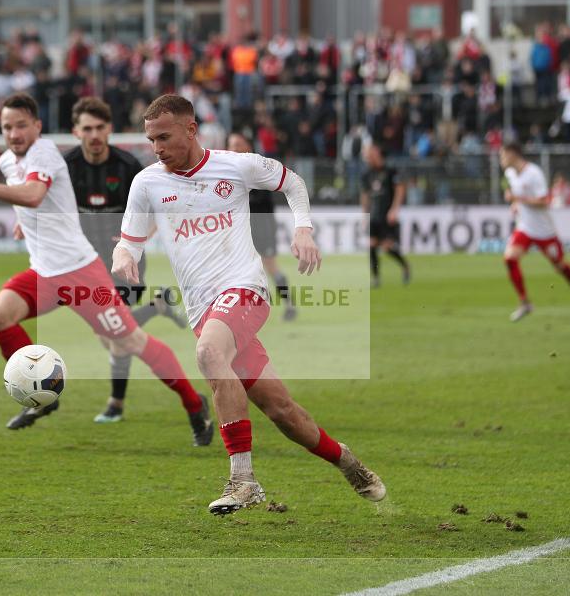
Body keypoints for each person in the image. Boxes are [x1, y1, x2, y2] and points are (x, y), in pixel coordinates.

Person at [112, 94, 386, 515]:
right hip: (204, 310)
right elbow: (129, 239)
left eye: (164, 137)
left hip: (245, 290)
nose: (157, 148)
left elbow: (292, 181)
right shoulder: (147, 182)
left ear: (191, 129)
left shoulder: (235, 165)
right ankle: (348, 462)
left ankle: (243, 481)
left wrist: (304, 230)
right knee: (283, 413)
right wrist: (125, 256)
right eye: (151, 140)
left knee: (206, 353)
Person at [0, 92, 213, 446]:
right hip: (43, 272)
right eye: (7, 127)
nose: (14, 134)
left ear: (38, 127)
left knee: (130, 342)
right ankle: (41, 394)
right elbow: (31, 204)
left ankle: (195, 405)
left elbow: (33, 195)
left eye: (22, 126)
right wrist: (23, 223)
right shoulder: (7, 162)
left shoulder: (43, 153)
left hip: (79, 273)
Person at [64, 96, 186, 424]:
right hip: (86, 265)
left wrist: (133, 243)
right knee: (109, 333)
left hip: (124, 261)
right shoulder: (68, 168)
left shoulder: (128, 166)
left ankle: (115, 403)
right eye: (87, 128)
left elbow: (152, 208)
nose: (93, 134)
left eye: (99, 128)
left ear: (109, 129)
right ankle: (157, 306)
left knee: (115, 334)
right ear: (76, 131)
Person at [500, 142, 570, 322]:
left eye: (503, 155)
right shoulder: (510, 174)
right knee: (510, 258)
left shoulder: (534, 173)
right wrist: (515, 205)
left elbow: (544, 201)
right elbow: (519, 197)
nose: (501, 160)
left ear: (512, 154)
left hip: (544, 231)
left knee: (560, 266)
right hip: (525, 228)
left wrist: (517, 199)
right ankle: (525, 302)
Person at [226, 132, 297, 321]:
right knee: (239, 270)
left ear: (248, 146)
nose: (235, 148)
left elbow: (265, 197)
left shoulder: (258, 167)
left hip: (262, 225)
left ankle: (289, 305)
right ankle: (243, 310)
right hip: (240, 229)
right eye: (232, 145)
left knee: (270, 265)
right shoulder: (227, 172)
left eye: (239, 144)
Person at [360, 143, 410, 288]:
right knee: (372, 245)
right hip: (374, 215)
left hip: (386, 214)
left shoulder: (390, 171)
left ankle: (405, 265)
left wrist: (395, 209)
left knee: (387, 247)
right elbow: (365, 195)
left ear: (376, 154)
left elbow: (400, 189)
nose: (367, 158)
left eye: (369, 155)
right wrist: (365, 214)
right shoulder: (367, 174)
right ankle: (376, 278)